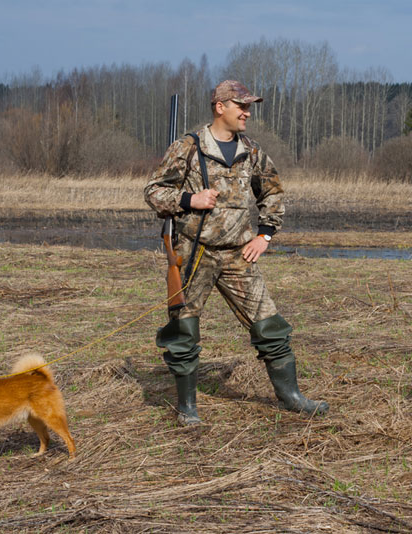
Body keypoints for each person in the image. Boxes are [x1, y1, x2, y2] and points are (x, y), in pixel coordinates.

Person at [144, 80, 328, 425]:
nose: (247, 112)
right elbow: (154, 191)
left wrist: (265, 235)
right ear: (220, 106)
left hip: (238, 255)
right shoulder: (188, 147)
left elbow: (273, 194)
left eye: (249, 107)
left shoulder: (252, 151)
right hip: (193, 254)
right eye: (240, 106)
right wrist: (189, 199)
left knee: (270, 325)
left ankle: (291, 397)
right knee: (183, 331)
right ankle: (187, 407)